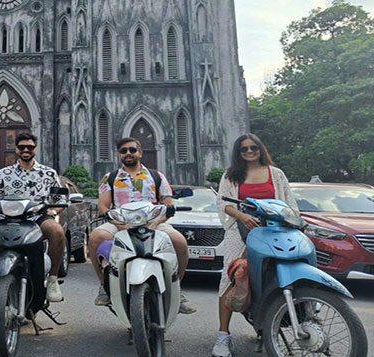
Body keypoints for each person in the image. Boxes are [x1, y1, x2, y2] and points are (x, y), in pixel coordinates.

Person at [211, 134, 299, 357]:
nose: (249, 152)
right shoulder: (232, 175)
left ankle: (268, 325)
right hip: (240, 231)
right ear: (238, 153)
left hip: (274, 231)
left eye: (253, 147)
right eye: (244, 149)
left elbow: (289, 203)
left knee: (274, 275)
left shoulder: (275, 174)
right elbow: (223, 202)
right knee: (230, 275)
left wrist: (295, 224)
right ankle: (223, 335)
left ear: (261, 149)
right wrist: (242, 217)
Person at [88, 137, 196, 314]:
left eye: (132, 150)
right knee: (96, 237)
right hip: (120, 222)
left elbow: (167, 206)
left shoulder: (156, 176)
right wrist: (120, 225)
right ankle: (104, 285)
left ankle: (177, 289)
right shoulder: (110, 178)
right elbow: (103, 207)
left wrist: (155, 224)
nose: (128, 154)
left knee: (179, 242)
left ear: (140, 152)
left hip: (152, 222)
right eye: (124, 151)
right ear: (118, 154)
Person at [0, 132, 66, 320]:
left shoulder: (48, 173)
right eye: (21, 147)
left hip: (36, 218)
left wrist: (53, 211)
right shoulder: (4, 174)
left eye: (29, 147)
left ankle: (53, 279)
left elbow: (59, 200)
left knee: (57, 231)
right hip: (5, 220)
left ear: (35, 149)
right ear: (16, 149)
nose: (25, 150)